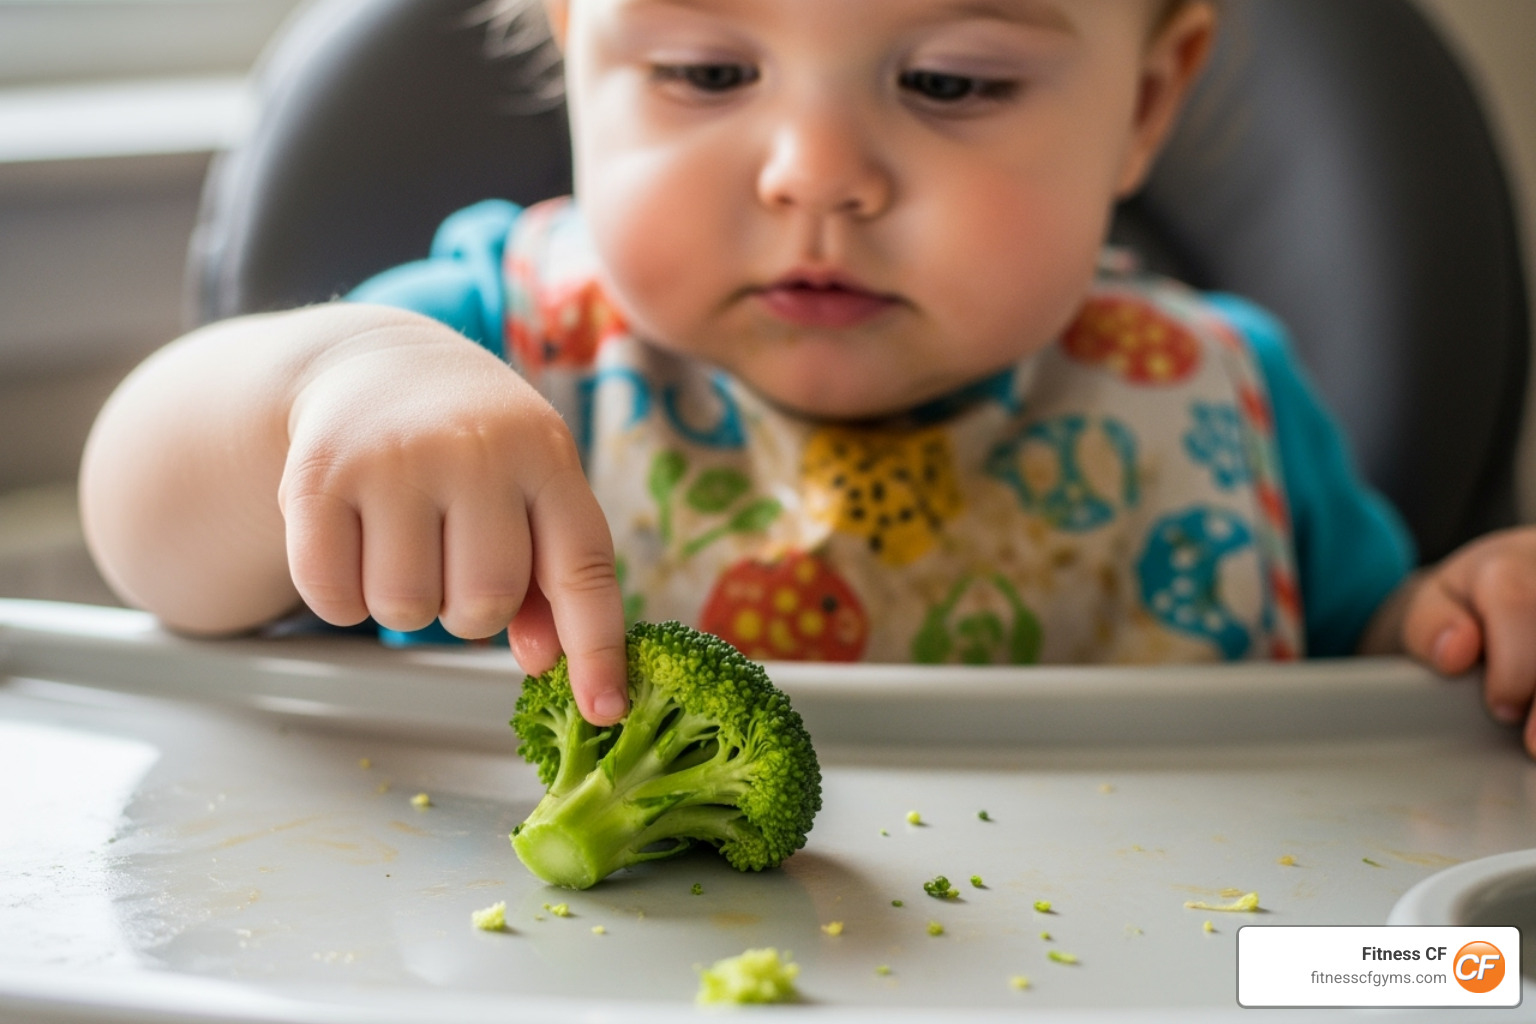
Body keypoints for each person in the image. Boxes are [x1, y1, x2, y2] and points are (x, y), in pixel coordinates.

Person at [79, 0, 1536, 754]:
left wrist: (1464, 618)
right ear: (584, 51)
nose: (815, 176)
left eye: (953, 81)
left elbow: (1367, 703)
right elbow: (140, 527)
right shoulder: (485, 351)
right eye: (709, 74)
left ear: (1146, 103)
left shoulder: (1228, 407)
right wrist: (329, 377)